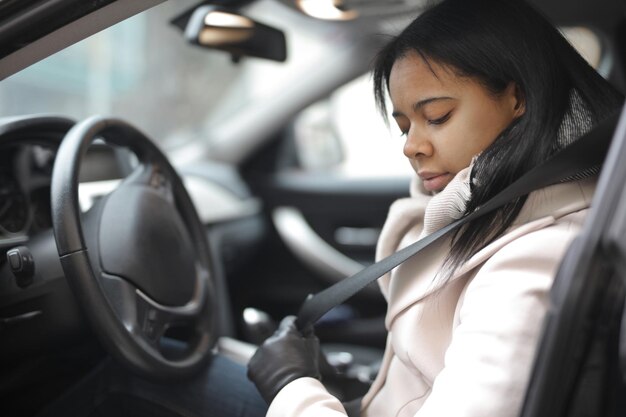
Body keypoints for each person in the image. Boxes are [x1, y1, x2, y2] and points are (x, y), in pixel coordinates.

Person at [247, 0, 624, 416]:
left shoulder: (536, 255)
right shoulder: (493, 210)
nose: (411, 146)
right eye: (406, 126)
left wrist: (292, 389)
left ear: (519, 99)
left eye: (438, 117)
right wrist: (344, 389)